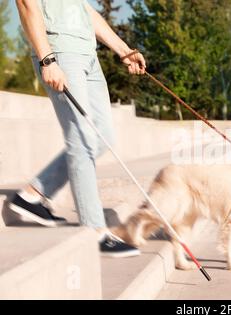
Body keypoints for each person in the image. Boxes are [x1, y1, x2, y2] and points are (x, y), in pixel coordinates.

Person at [10, 0, 146, 258]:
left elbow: (84, 10)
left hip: (87, 54)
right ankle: (93, 231)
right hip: (60, 52)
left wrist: (124, 50)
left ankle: (32, 194)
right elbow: (26, 5)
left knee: (102, 136)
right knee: (81, 140)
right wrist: (47, 59)